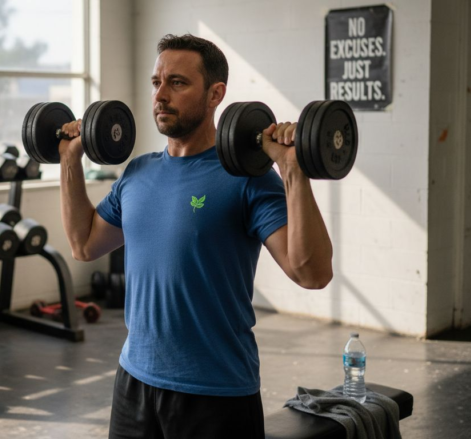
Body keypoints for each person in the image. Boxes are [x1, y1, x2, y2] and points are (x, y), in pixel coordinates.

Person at [57, 34, 333, 438]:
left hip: (216, 394)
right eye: (157, 82)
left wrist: (293, 170)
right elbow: (84, 245)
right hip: (134, 381)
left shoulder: (248, 179)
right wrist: (69, 162)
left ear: (215, 94)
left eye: (178, 83)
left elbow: (312, 273)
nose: (161, 96)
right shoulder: (138, 173)